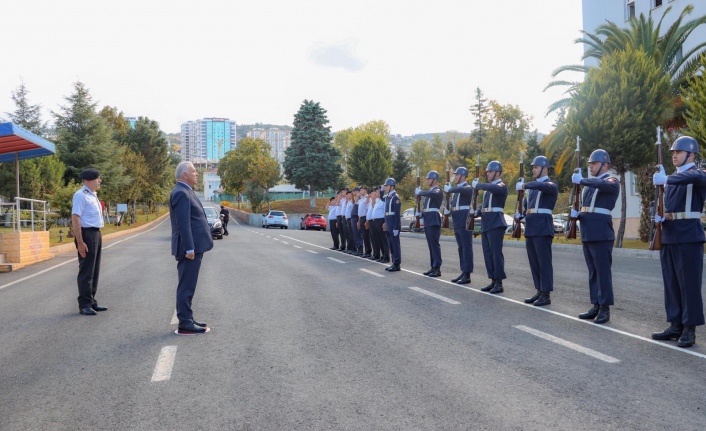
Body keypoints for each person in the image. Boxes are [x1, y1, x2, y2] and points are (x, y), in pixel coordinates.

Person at [651, 136, 706, 348]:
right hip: (669, 234)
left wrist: (666, 180)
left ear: (691, 154)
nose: (674, 155)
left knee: (688, 284)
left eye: (678, 152)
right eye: (673, 152)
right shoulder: (671, 177)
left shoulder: (698, 174)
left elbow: (697, 178)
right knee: (671, 283)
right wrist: (659, 216)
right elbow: (667, 203)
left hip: (688, 235)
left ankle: (689, 329)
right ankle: (675, 325)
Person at [571, 149, 619, 324]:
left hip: (601, 233)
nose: (590, 166)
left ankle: (605, 308)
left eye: (594, 163)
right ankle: (596, 305)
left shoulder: (611, 181)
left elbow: (608, 186)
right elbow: (588, 207)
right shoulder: (589, 187)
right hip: (588, 231)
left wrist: (583, 180)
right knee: (593, 272)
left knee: (603, 272)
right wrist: (577, 213)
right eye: (590, 163)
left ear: (605, 165)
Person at [170, 161, 214, 334]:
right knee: (186, 285)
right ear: (184, 175)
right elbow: (183, 224)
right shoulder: (181, 193)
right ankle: (185, 322)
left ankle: (188, 317)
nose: (197, 174)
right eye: (194, 171)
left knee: (189, 284)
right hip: (190, 248)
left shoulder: (186, 190)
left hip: (195, 246)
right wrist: (189, 248)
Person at [515, 156, 559, 307]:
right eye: (533, 167)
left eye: (536, 167)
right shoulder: (532, 189)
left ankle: (546, 294)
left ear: (545, 169)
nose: (533, 169)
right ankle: (539, 290)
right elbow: (527, 205)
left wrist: (525, 185)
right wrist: (520, 213)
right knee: (534, 261)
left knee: (544, 262)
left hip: (543, 226)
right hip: (531, 226)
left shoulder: (550, 184)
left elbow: (545, 187)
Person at [72, 168, 106, 316]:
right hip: (86, 234)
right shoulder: (81, 195)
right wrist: (80, 242)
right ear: (88, 180)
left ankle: (91, 301)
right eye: (97, 179)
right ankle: (84, 304)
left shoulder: (93, 195)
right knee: (86, 271)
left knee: (94, 270)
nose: (100, 181)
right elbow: (76, 218)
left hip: (96, 233)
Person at [473, 161, 508, 294]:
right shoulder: (488, 190)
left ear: (498, 173)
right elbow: (485, 204)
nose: (488, 173)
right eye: (487, 172)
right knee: (488, 254)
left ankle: (499, 282)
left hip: (496, 222)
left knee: (496, 253)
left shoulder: (501, 186)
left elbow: (495, 189)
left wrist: (479, 185)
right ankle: (493, 279)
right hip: (486, 223)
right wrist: (477, 211)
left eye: (490, 171)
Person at [444, 166, 474, 284]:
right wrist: (448, 210)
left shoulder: (467, 188)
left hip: (464, 221)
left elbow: (464, 190)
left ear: (463, 176)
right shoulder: (456, 190)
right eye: (455, 175)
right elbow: (454, 204)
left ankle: (467, 274)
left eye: (457, 175)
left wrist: (450, 190)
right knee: (461, 248)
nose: (455, 177)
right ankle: (463, 271)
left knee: (466, 247)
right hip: (457, 222)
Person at [415, 171, 443, 277]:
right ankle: (433, 266)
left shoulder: (437, 190)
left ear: (435, 180)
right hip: (428, 219)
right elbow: (427, 207)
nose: (427, 180)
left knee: (434, 245)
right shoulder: (430, 192)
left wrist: (420, 192)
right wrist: (420, 213)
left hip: (433, 219)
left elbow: (431, 194)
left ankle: (437, 268)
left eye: (429, 179)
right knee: (430, 245)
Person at [383, 178, 402, 271]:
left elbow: (397, 215)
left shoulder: (395, 197)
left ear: (392, 186)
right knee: (391, 244)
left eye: (386, 185)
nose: (385, 187)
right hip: (389, 224)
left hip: (393, 225)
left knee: (395, 244)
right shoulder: (388, 197)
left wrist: (396, 227)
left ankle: (397, 263)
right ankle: (394, 262)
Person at [371, 186, 390, 263]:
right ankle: (383, 256)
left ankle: (386, 256)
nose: (376, 193)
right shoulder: (377, 201)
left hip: (381, 221)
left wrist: (385, 222)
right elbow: (373, 207)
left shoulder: (383, 201)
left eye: (377, 192)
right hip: (375, 221)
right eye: (375, 192)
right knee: (379, 239)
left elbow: (386, 212)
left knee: (383, 239)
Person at [357, 186, 372, 258]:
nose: (360, 191)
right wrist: (359, 221)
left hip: (365, 218)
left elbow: (367, 209)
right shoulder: (361, 199)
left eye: (361, 190)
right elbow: (360, 211)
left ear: (366, 190)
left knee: (366, 236)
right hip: (361, 218)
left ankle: (368, 251)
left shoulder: (367, 198)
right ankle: (366, 251)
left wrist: (367, 221)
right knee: (363, 236)